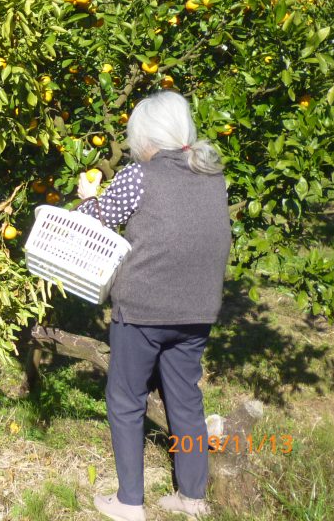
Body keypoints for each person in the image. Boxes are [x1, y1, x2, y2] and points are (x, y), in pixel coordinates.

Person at [76, 91, 231, 521]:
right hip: (198, 310)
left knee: (126, 399)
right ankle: (193, 498)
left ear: (144, 137)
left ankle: (129, 503)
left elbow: (93, 223)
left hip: (143, 308)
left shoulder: (138, 175)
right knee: (185, 398)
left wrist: (87, 195)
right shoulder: (212, 177)